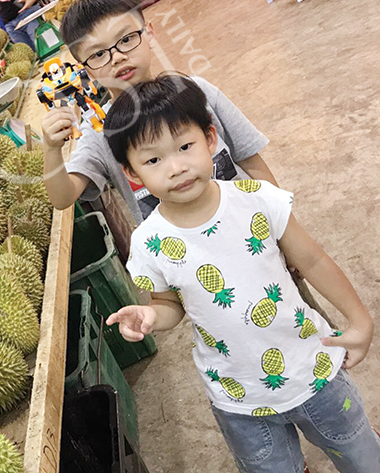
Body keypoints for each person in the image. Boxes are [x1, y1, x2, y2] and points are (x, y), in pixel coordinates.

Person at [104, 75, 379, 472]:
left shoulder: (258, 200)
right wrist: (150, 316)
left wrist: (359, 320)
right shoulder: (149, 242)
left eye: (185, 146)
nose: (176, 167)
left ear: (211, 140)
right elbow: (169, 305)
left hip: (312, 369)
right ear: (133, 175)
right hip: (239, 398)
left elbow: (314, 261)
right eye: (153, 160)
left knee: (362, 455)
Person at [40, 0, 274, 224]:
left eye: (126, 39)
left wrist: (279, 221)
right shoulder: (100, 130)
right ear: (86, 69)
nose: (118, 57)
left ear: (149, 34)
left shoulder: (198, 91)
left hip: (252, 228)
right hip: (181, 257)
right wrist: (51, 149)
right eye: (98, 54)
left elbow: (250, 161)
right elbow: (63, 197)